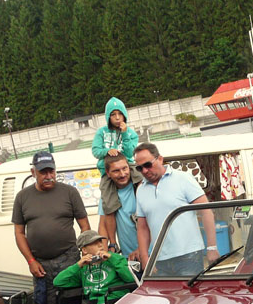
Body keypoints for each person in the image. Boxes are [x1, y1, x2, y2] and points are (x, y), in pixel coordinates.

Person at [11, 151, 90, 304]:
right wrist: (30, 260)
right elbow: (19, 233)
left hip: (69, 259)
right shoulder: (22, 197)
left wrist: (83, 251)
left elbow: (85, 225)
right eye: (43, 172)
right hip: (40, 264)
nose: (48, 176)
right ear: (34, 173)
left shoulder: (70, 192)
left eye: (51, 171)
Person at [134, 142, 219, 275]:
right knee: (165, 296)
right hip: (159, 259)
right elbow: (142, 227)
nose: (145, 170)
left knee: (190, 296)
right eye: (139, 168)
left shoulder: (183, 178)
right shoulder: (140, 189)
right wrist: (145, 258)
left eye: (147, 165)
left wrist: (212, 247)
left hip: (188, 256)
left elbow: (206, 211)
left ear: (160, 159)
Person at [92, 97, 139, 248]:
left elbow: (130, 151)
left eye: (120, 113)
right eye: (113, 114)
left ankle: (141, 199)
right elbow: (95, 150)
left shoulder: (130, 132)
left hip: (129, 164)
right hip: (106, 172)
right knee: (109, 206)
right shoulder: (101, 132)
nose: (117, 117)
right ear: (108, 117)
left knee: (140, 178)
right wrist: (107, 151)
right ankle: (114, 242)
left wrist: (124, 134)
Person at [53, 230, 136, 304]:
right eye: (95, 243)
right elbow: (58, 282)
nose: (100, 245)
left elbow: (131, 278)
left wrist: (111, 258)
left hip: (114, 302)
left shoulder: (115, 258)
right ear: (84, 250)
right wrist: (77, 265)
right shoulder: (83, 267)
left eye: (100, 241)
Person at [98, 153, 141, 261]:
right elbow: (103, 224)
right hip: (129, 256)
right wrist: (104, 250)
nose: (122, 174)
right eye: (116, 171)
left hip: (154, 252)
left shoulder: (142, 186)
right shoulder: (106, 195)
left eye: (124, 168)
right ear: (108, 173)